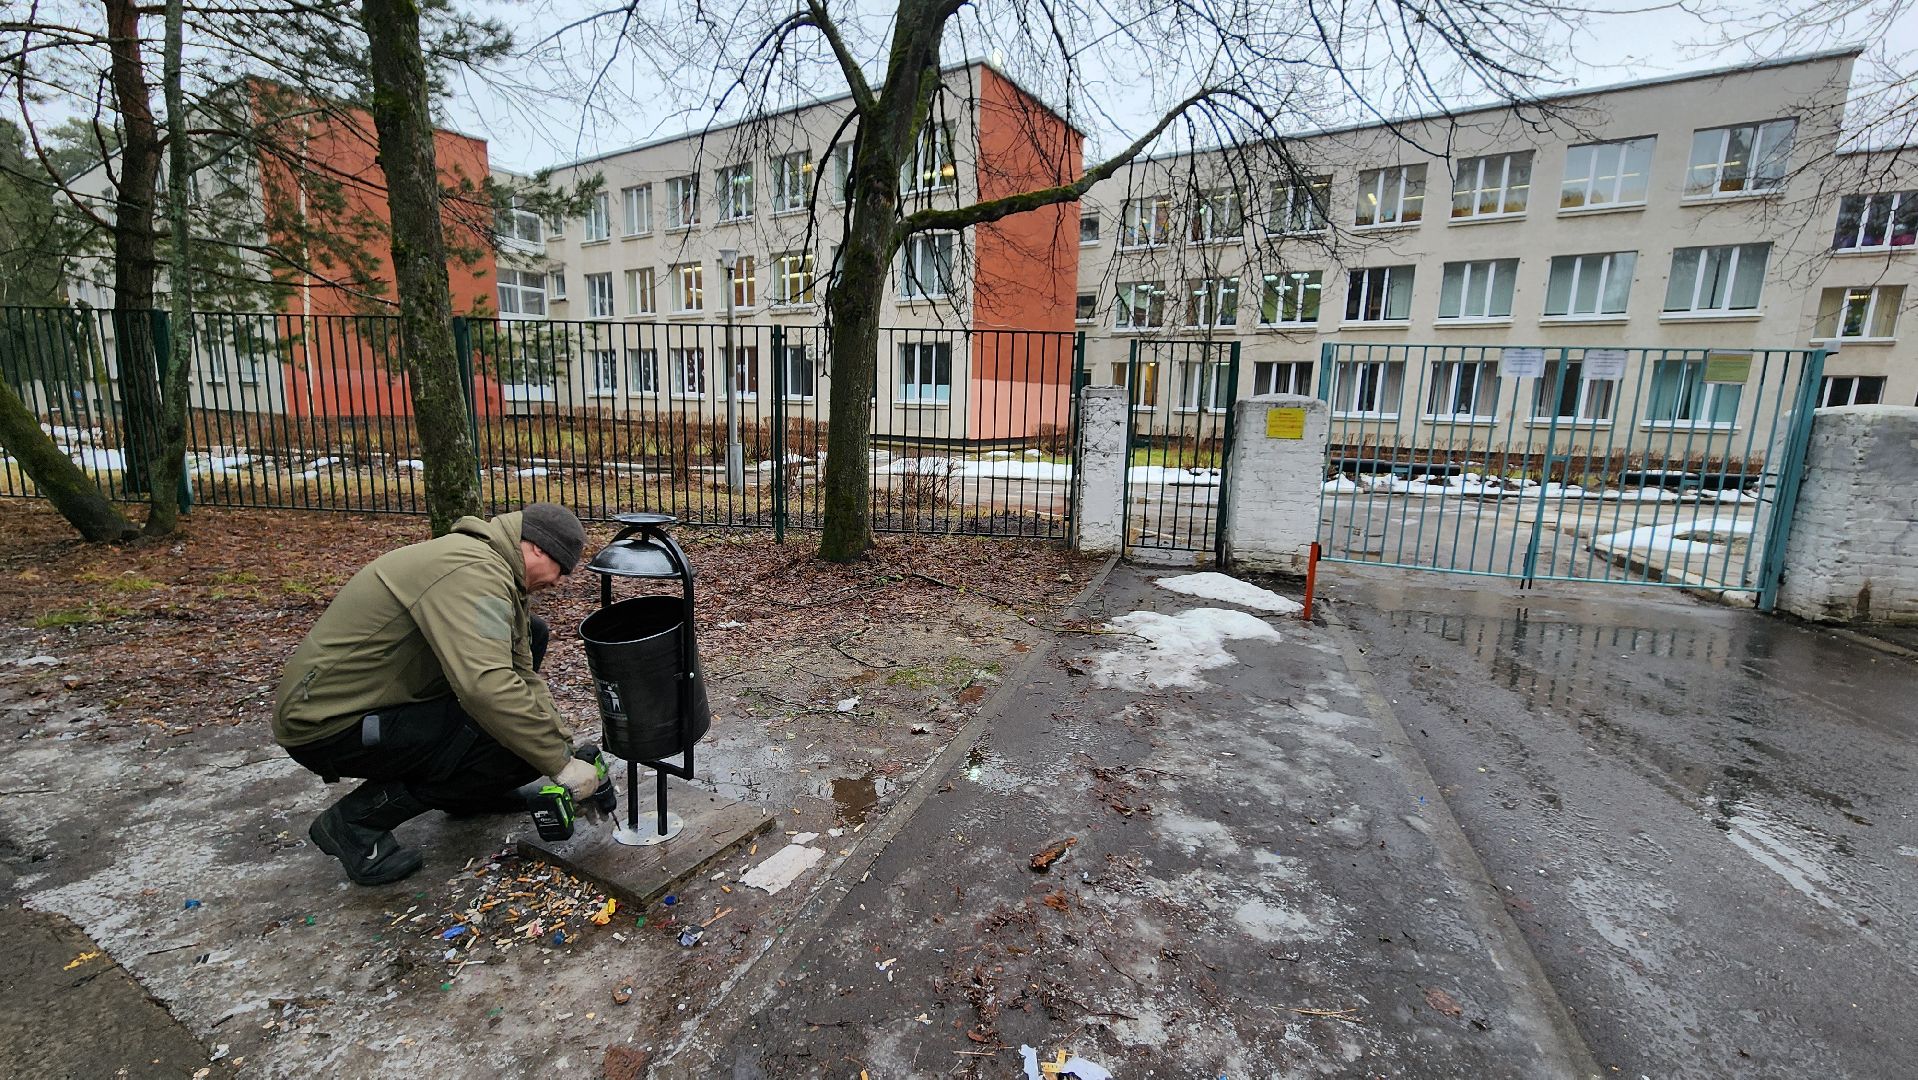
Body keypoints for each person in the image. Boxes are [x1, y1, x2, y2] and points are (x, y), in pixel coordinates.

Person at [272, 502, 598, 886]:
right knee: (511, 748)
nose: (559, 581)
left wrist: (564, 747)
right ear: (537, 549)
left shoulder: (488, 564)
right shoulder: (474, 573)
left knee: (533, 644)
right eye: (561, 569)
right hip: (329, 722)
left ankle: (468, 794)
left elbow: (519, 675)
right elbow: (487, 686)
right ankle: (354, 822)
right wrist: (557, 762)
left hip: (372, 699)